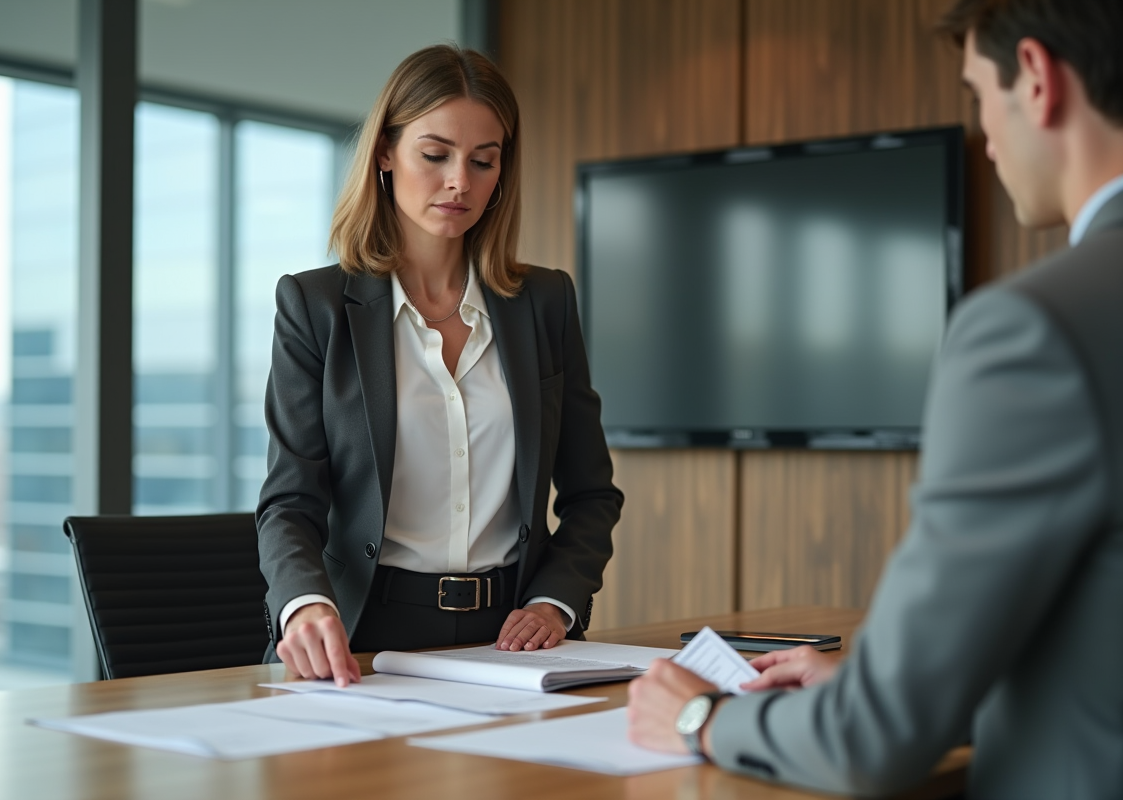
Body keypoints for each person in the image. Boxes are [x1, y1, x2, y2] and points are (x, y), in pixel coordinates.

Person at [627, 1, 1123, 797]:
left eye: (976, 96)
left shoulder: (1034, 328)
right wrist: (873, 688)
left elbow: (874, 742)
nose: (987, 136)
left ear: (1035, 77)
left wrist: (702, 720)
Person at [256, 45, 622, 687]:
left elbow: (592, 493)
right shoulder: (314, 307)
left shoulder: (544, 302)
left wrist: (555, 599)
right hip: (361, 637)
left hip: (513, 645)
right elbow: (290, 501)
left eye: (484, 161)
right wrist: (304, 602)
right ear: (385, 156)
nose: (461, 180)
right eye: (436, 155)